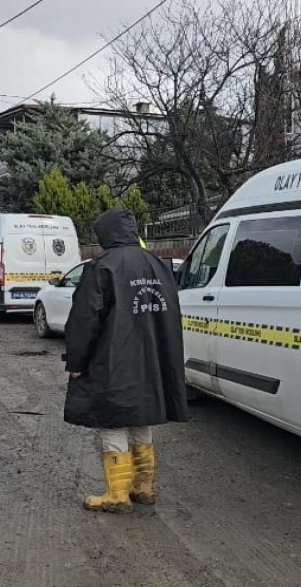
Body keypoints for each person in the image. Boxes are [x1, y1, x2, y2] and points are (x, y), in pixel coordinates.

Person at [64, 208, 189, 513]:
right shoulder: (158, 265)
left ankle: (117, 494)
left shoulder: (102, 268)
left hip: (114, 360)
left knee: (112, 420)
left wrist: (76, 362)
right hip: (154, 360)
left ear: (105, 234)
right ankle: (143, 487)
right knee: (141, 419)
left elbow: (84, 320)